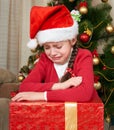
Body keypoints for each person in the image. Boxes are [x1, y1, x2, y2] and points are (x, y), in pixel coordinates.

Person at [12, 5, 98, 102]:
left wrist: (42, 96)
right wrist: (60, 86)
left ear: (73, 40)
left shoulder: (83, 56)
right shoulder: (45, 59)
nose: (52, 53)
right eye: (47, 47)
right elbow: (25, 87)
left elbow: (84, 94)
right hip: (54, 114)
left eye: (58, 46)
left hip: (80, 115)